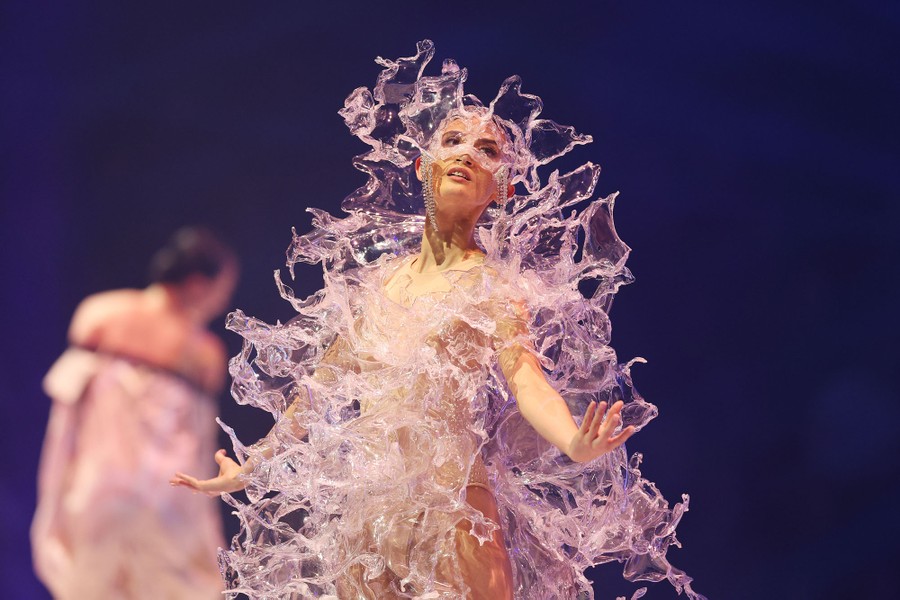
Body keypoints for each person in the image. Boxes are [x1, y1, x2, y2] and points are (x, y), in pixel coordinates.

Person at [173, 41, 703, 599]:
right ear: (424, 167)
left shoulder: (496, 286)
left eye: (487, 150)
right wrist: (252, 467)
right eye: (452, 141)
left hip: (457, 516)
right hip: (367, 522)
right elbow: (317, 392)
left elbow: (526, 380)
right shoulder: (375, 285)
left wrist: (573, 440)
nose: (467, 153)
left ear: (503, 189)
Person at [33, 227, 238, 600]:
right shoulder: (203, 352)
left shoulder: (100, 311)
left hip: (97, 487)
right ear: (196, 283)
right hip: (161, 499)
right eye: (222, 291)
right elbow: (196, 441)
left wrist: (58, 493)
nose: (221, 303)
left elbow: (63, 424)